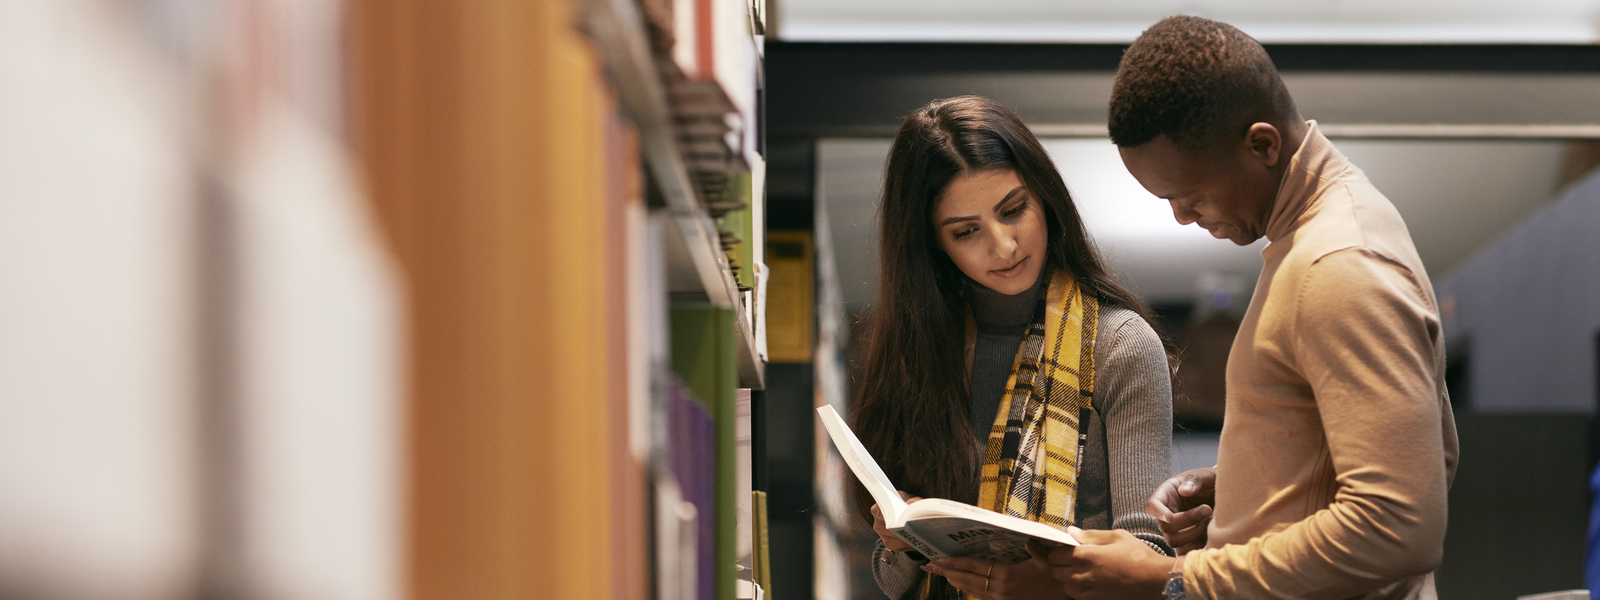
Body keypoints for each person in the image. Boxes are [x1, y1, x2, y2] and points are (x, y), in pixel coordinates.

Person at [1044, 16, 1460, 600]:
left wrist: (1172, 578)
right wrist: (1248, 487)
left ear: (1262, 144)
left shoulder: (1339, 263)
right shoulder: (1319, 240)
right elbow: (1403, 455)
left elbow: (1398, 526)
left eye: (1189, 195)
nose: (1182, 218)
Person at [851, 95, 1174, 600]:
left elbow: (1149, 561)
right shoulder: (922, 356)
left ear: (1044, 197)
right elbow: (894, 583)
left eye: (1014, 209)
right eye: (966, 231)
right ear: (933, 244)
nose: (1004, 246)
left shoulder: (1119, 345)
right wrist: (904, 541)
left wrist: (1050, 587)